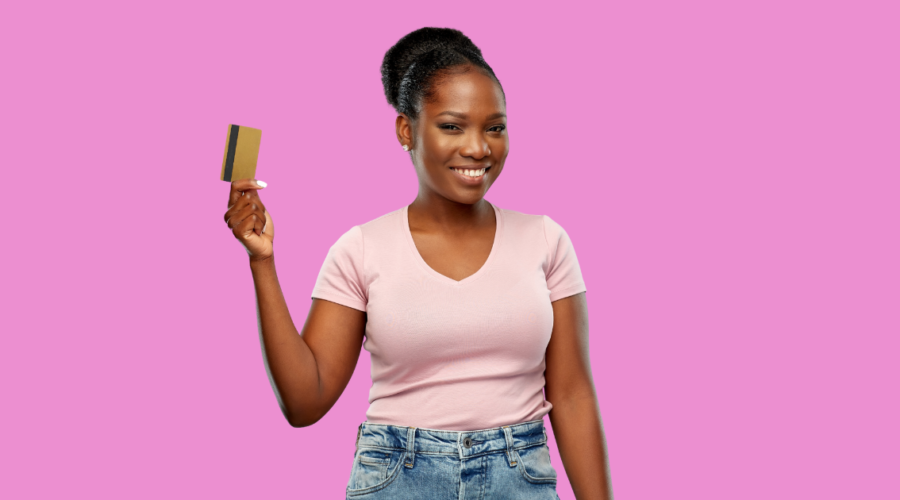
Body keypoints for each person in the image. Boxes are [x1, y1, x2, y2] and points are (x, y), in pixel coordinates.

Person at [223, 27, 613, 500]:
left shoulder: (546, 240)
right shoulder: (362, 248)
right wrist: (262, 262)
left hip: (519, 478)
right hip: (397, 477)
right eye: (452, 126)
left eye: (495, 126)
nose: (478, 147)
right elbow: (305, 402)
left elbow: (572, 396)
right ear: (407, 130)